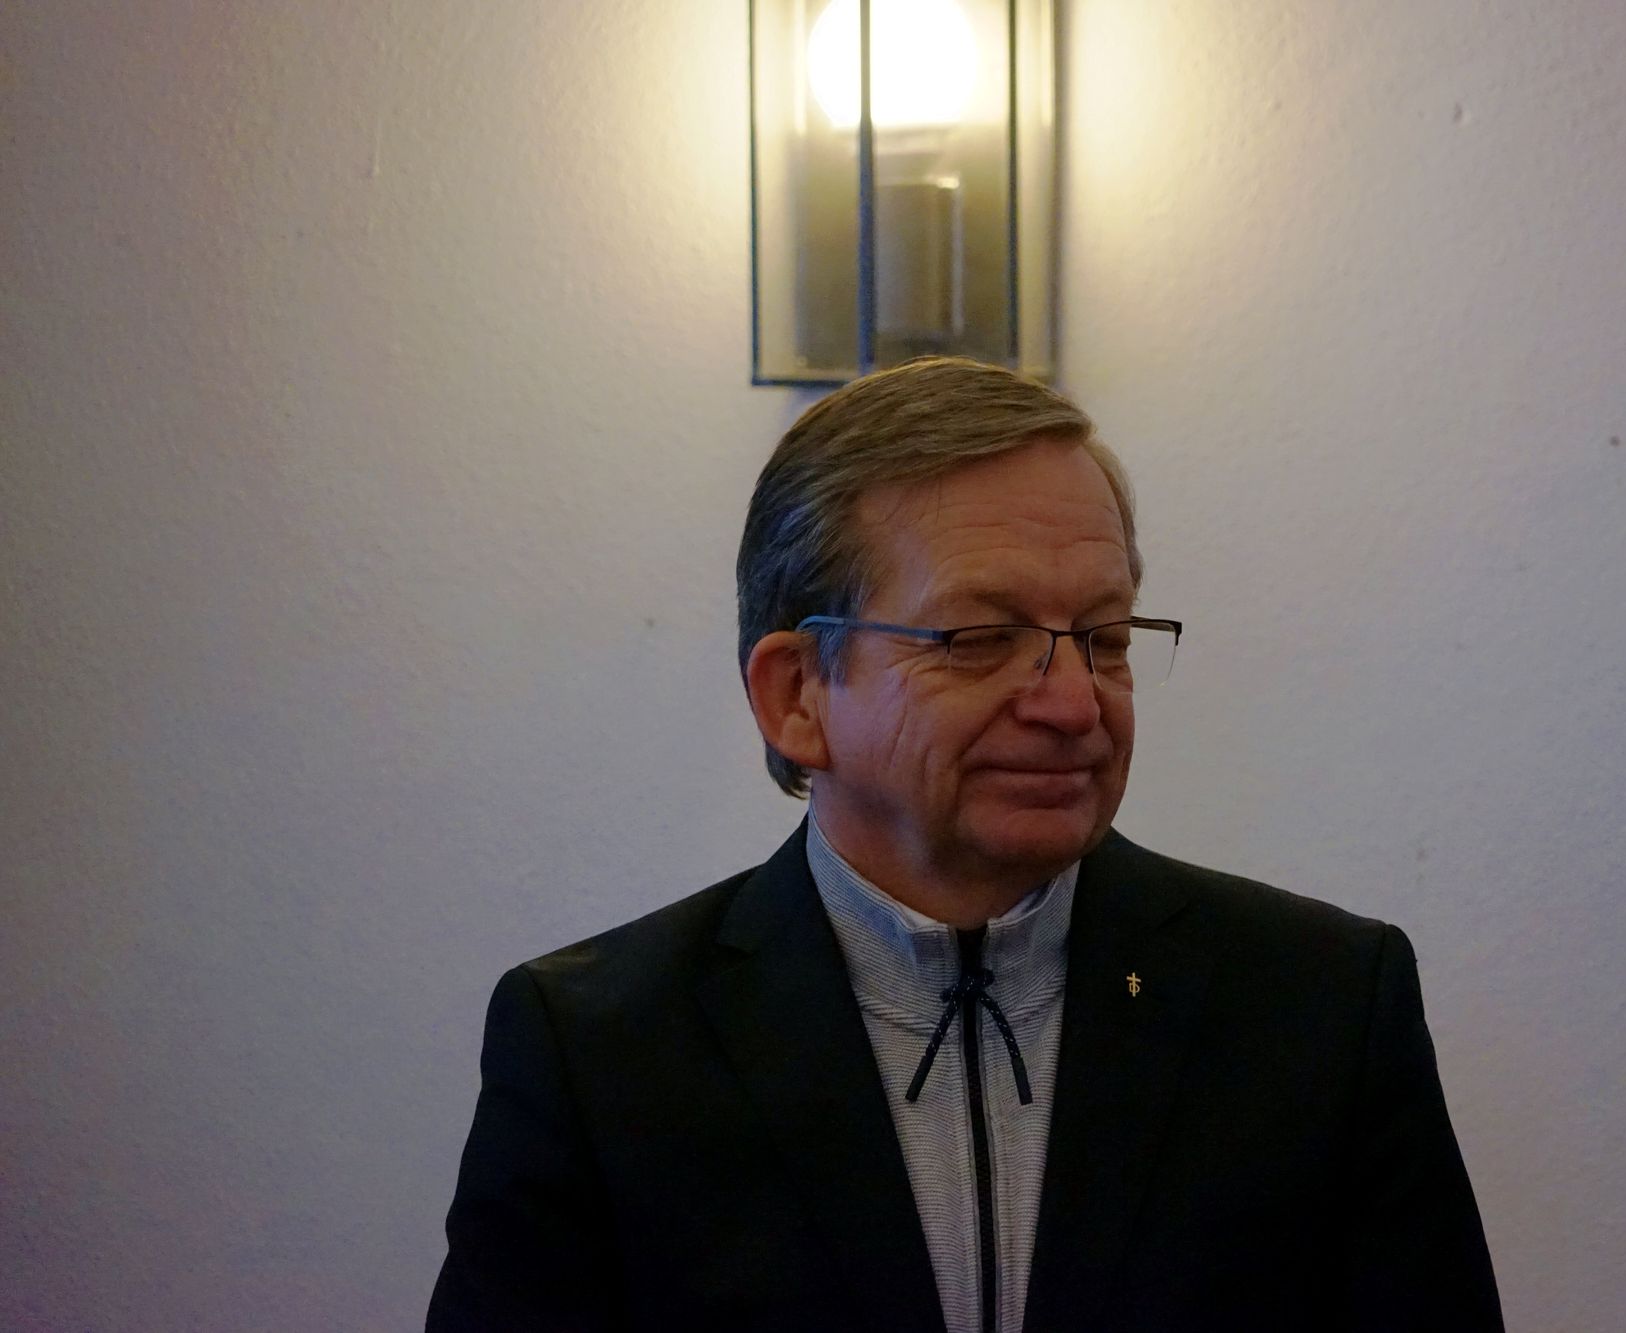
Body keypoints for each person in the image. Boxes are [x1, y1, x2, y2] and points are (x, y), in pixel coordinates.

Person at [427, 357, 1504, 1331]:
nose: (1074, 704)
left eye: (1104, 638)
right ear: (798, 694)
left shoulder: (1322, 1008)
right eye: (982, 640)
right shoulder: (597, 1051)